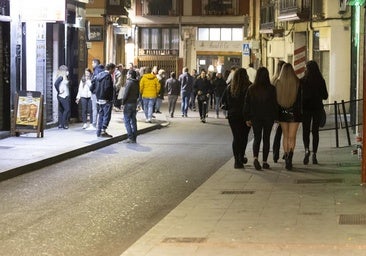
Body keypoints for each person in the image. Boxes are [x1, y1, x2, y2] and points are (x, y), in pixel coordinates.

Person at [244, 67, 278, 170]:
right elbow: (274, 104)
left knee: (257, 137)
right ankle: (265, 161)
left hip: (255, 117)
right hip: (268, 117)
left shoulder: (251, 88)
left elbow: (247, 104)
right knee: (266, 138)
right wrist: (276, 117)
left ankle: (255, 158)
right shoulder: (272, 89)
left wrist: (247, 118)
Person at [221, 68, 251, 169]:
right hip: (245, 116)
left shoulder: (230, 87)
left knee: (236, 137)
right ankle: (241, 156)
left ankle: (236, 160)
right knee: (244, 137)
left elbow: (223, 101)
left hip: (233, 116)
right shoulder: (249, 87)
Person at [274, 63, 302, 170]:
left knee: (285, 136)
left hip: (282, 113)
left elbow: (276, 100)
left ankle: (286, 157)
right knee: (292, 137)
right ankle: (290, 156)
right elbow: (300, 100)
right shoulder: (297, 82)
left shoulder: (277, 83)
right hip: (294, 113)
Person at [301, 60, 328, 165]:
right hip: (317, 109)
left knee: (305, 131)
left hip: (306, 109)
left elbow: (299, 96)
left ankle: (307, 149)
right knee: (315, 131)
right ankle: (314, 154)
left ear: (307, 69)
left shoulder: (302, 81)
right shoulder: (321, 80)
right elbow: (325, 96)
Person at [90, 63, 116, 138]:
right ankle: (103, 131)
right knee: (106, 115)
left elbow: (92, 87)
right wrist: (109, 98)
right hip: (106, 99)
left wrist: (97, 94)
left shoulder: (98, 75)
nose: (114, 71)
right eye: (113, 69)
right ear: (110, 69)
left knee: (100, 115)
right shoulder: (108, 76)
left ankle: (98, 131)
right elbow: (107, 88)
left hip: (99, 99)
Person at [271, 60, 286, 162]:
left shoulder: (273, 80)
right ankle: (286, 152)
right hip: (285, 109)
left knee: (278, 133)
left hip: (276, 110)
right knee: (287, 133)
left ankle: (275, 154)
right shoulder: (285, 80)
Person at [122, 69, 140, 143]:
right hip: (134, 103)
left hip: (128, 103)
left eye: (127, 74)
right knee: (133, 120)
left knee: (126, 120)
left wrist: (122, 103)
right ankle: (134, 137)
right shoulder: (136, 83)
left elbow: (125, 94)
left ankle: (130, 137)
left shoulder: (129, 82)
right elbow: (138, 94)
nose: (126, 75)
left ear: (130, 75)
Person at [89, 59, 105, 130]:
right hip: (100, 93)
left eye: (92, 63)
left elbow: (93, 82)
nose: (92, 65)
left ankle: (94, 124)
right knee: (100, 109)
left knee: (94, 108)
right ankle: (100, 124)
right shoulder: (103, 71)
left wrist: (91, 89)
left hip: (95, 92)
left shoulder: (96, 71)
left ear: (95, 63)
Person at [54, 65, 71, 129]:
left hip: (63, 95)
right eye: (66, 70)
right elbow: (55, 84)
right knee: (67, 109)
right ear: (64, 71)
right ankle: (64, 124)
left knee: (61, 110)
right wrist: (59, 91)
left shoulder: (63, 77)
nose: (68, 72)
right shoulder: (61, 77)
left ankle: (60, 124)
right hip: (62, 96)